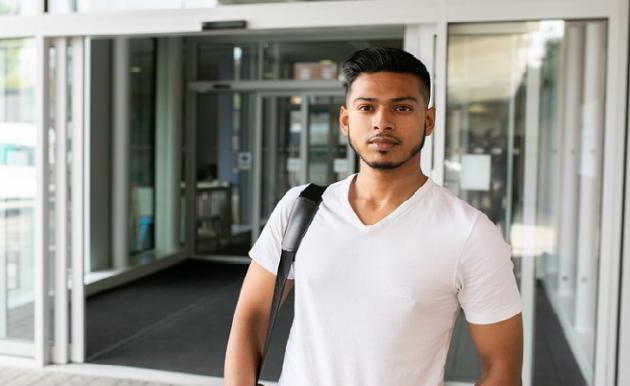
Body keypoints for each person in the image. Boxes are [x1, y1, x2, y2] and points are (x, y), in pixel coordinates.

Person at [223, 47, 523, 386]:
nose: (383, 121)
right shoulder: (301, 207)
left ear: (428, 121)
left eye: (402, 107)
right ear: (346, 120)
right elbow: (252, 317)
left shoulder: (469, 232)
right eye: (367, 107)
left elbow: (503, 370)